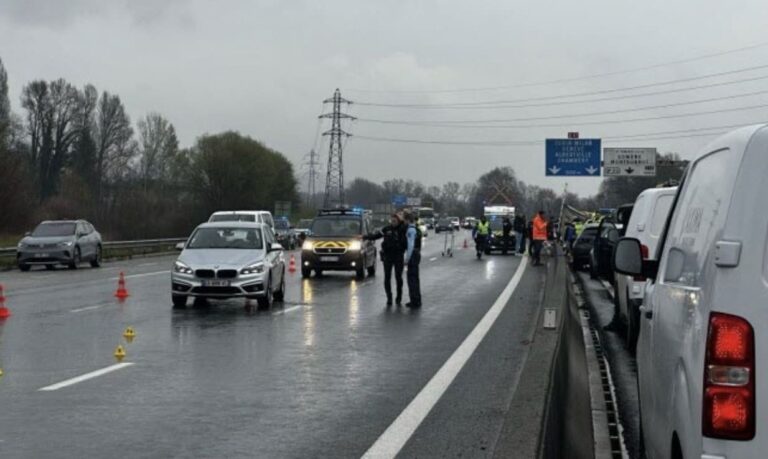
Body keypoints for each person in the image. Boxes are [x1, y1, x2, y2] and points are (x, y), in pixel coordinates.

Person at [365, 213, 407, 306]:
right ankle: (389, 297)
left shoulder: (402, 229)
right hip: (387, 256)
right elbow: (376, 236)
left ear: (398, 221)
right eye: (392, 221)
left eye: (395, 221)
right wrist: (365, 237)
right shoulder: (387, 229)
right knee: (387, 278)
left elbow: (406, 232)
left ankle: (398, 297)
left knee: (398, 277)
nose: (393, 222)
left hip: (398, 256)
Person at [404, 212, 422, 308]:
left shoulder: (410, 230)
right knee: (415, 278)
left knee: (411, 278)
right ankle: (417, 299)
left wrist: (407, 259)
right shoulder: (417, 229)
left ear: (408, 220)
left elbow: (410, 245)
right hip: (417, 253)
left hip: (413, 255)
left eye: (405, 220)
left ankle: (414, 300)